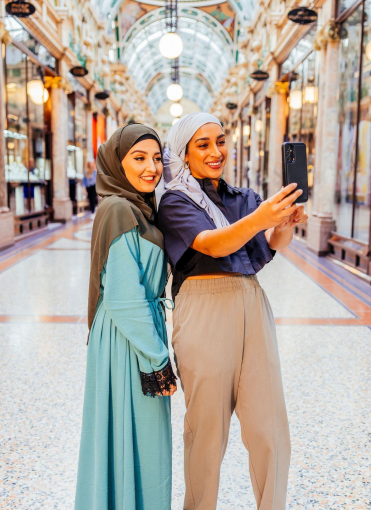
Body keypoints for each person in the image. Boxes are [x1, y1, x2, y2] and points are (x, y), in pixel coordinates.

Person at [158, 113, 308, 510]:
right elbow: (214, 244)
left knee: (270, 427)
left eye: (220, 141)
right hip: (203, 311)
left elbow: (270, 246)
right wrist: (262, 217)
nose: (215, 151)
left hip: (252, 304)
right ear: (184, 154)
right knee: (207, 431)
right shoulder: (175, 201)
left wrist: (286, 222)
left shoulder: (243, 198)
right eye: (202, 145)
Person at [75, 124, 177, 510]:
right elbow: (122, 296)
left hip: (135, 335)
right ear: (117, 163)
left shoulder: (138, 207)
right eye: (139, 158)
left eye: (156, 158)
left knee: (138, 437)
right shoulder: (119, 209)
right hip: (128, 339)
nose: (151, 167)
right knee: (144, 437)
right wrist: (158, 359)